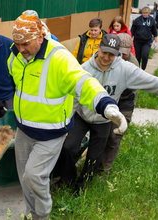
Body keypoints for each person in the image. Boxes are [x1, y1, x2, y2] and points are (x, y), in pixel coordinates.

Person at [8, 15, 127, 220]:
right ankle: (31, 213)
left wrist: (106, 105)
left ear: (39, 37)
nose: (21, 49)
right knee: (24, 179)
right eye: (17, 44)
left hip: (51, 133)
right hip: (24, 130)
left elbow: (83, 82)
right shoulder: (15, 57)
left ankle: (42, 215)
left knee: (34, 176)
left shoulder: (59, 58)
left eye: (25, 43)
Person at [57, 34, 158, 192]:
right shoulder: (84, 69)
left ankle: (80, 188)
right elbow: (71, 97)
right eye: (104, 52)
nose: (106, 58)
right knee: (68, 148)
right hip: (82, 115)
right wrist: (65, 121)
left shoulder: (125, 69)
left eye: (111, 54)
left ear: (118, 54)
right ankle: (67, 180)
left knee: (94, 157)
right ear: (98, 49)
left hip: (104, 120)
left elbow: (151, 81)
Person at [100, 33, 138, 174]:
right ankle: (95, 165)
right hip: (106, 100)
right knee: (102, 134)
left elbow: (131, 90)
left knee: (115, 136)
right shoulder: (105, 59)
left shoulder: (133, 64)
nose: (122, 57)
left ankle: (105, 169)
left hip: (124, 102)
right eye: (119, 54)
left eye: (125, 54)